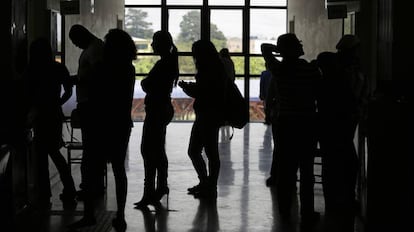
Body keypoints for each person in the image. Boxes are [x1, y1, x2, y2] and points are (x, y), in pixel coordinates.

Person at [261, 33, 321, 227]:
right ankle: (307, 212)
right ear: (297, 48)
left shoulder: (279, 69)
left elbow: (264, 48)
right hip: (307, 123)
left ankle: (284, 211)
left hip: (286, 123)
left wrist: (279, 51)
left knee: (286, 171)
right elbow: (319, 95)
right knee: (306, 171)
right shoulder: (311, 69)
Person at [315, 34, 368, 232]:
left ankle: (334, 200)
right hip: (343, 124)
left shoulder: (329, 75)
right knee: (348, 163)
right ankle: (345, 198)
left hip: (330, 125)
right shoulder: (346, 74)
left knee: (332, 163)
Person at [25, 38, 77, 208]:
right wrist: (58, 103)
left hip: (39, 116)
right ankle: (69, 188)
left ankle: (44, 193)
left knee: (40, 157)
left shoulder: (31, 70)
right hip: (54, 114)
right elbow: (69, 91)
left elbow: (28, 96)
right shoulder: (58, 67)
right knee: (55, 152)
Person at [134, 30, 178, 210]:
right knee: (157, 150)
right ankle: (159, 187)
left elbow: (147, 84)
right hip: (162, 108)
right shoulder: (169, 62)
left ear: (161, 44)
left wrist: (146, 83)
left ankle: (150, 191)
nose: (151, 45)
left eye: (154, 42)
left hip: (157, 110)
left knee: (148, 150)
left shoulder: (163, 64)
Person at [67, 25, 105, 229]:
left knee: (90, 155)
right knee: (91, 153)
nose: (75, 45)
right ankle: (92, 187)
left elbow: (97, 75)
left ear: (82, 37)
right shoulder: (92, 48)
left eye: (75, 41)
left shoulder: (95, 49)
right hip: (89, 105)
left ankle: (91, 188)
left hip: (91, 105)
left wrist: (78, 79)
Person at [178, 40, 227, 199]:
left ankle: (207, 184)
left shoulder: (207, 69)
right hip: (212, 114)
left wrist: (187, 88)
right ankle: (208, 184)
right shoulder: (217, 68)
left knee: (196, 151)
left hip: (206, 114)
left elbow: (203, 92)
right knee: (209, 152)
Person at [219, 48, 236, 141]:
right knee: (228, 104)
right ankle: (228, 120)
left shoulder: (221, 61)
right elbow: (233, 74)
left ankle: (222, 120)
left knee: (222, 104)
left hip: (222, 86)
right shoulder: (230, 61)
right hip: (230, 86)